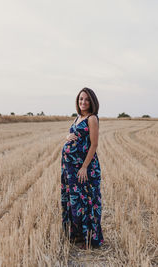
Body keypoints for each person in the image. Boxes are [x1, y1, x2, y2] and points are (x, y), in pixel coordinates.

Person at [61, 87, 104, 249]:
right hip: (70, 168)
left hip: (84, 167)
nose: (83, 102)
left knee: (86, 201)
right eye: (80, 99)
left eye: (86, 99)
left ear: (92, 101)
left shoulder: (92, 118)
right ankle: (77, 235)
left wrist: (85, 167)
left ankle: (89, 239)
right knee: (74, 201)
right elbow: (72, 135)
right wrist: (67, 137)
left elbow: (94, 144)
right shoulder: (78, 117)